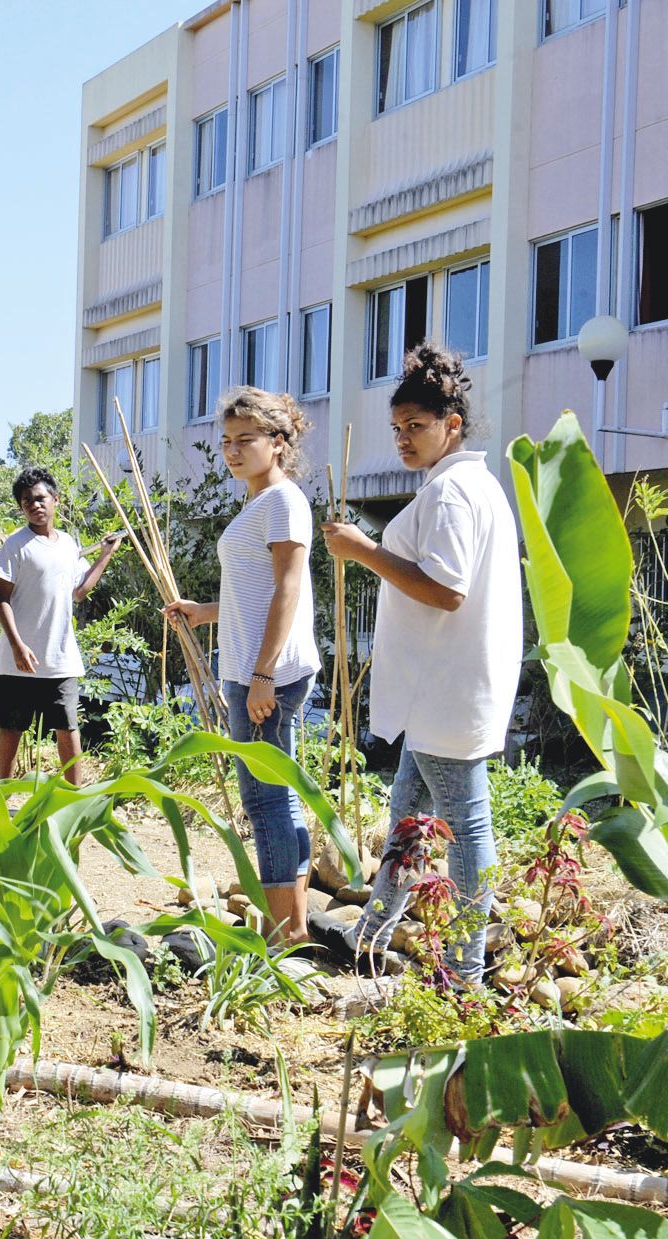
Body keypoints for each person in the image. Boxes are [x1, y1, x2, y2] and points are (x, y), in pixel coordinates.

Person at [320, 345, 522, 985]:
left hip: (447, 690)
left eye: (417, 427)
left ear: (451, 425)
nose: (404, 439)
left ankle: (464, 972)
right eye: (397, 429)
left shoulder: (453, 494)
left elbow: (447, 588)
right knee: (408, 809)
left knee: (465, 824)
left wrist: (364, 550)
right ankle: (372, 935)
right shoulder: (466, 484)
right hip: (444, 690)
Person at [164, 387, 321, 945]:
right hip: (253, 667)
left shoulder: (281, 502)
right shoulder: (260, 503)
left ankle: (286, 930)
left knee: (266, 796)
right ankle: (293, 922)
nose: (232, 451)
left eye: (245, 440)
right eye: (226, 441)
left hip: (266, 673)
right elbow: (250, 592)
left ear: (277, 444)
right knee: (279, 792)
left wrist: (262, 674)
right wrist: (204, 613)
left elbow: (288, 590)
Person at [0, 467, 122, 783]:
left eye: (40, 499)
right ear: (22, 508)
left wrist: (105, 555)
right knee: (11, 728)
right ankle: (3, 792)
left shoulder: (68, 545)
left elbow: (79, 592)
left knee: (68, 726)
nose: (35, 506)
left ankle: (72, 798)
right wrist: (18, 646)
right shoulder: (15, 545)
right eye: (27, 502)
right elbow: (1, 600)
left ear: (55, 501)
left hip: (60, 658)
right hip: (17, 661)